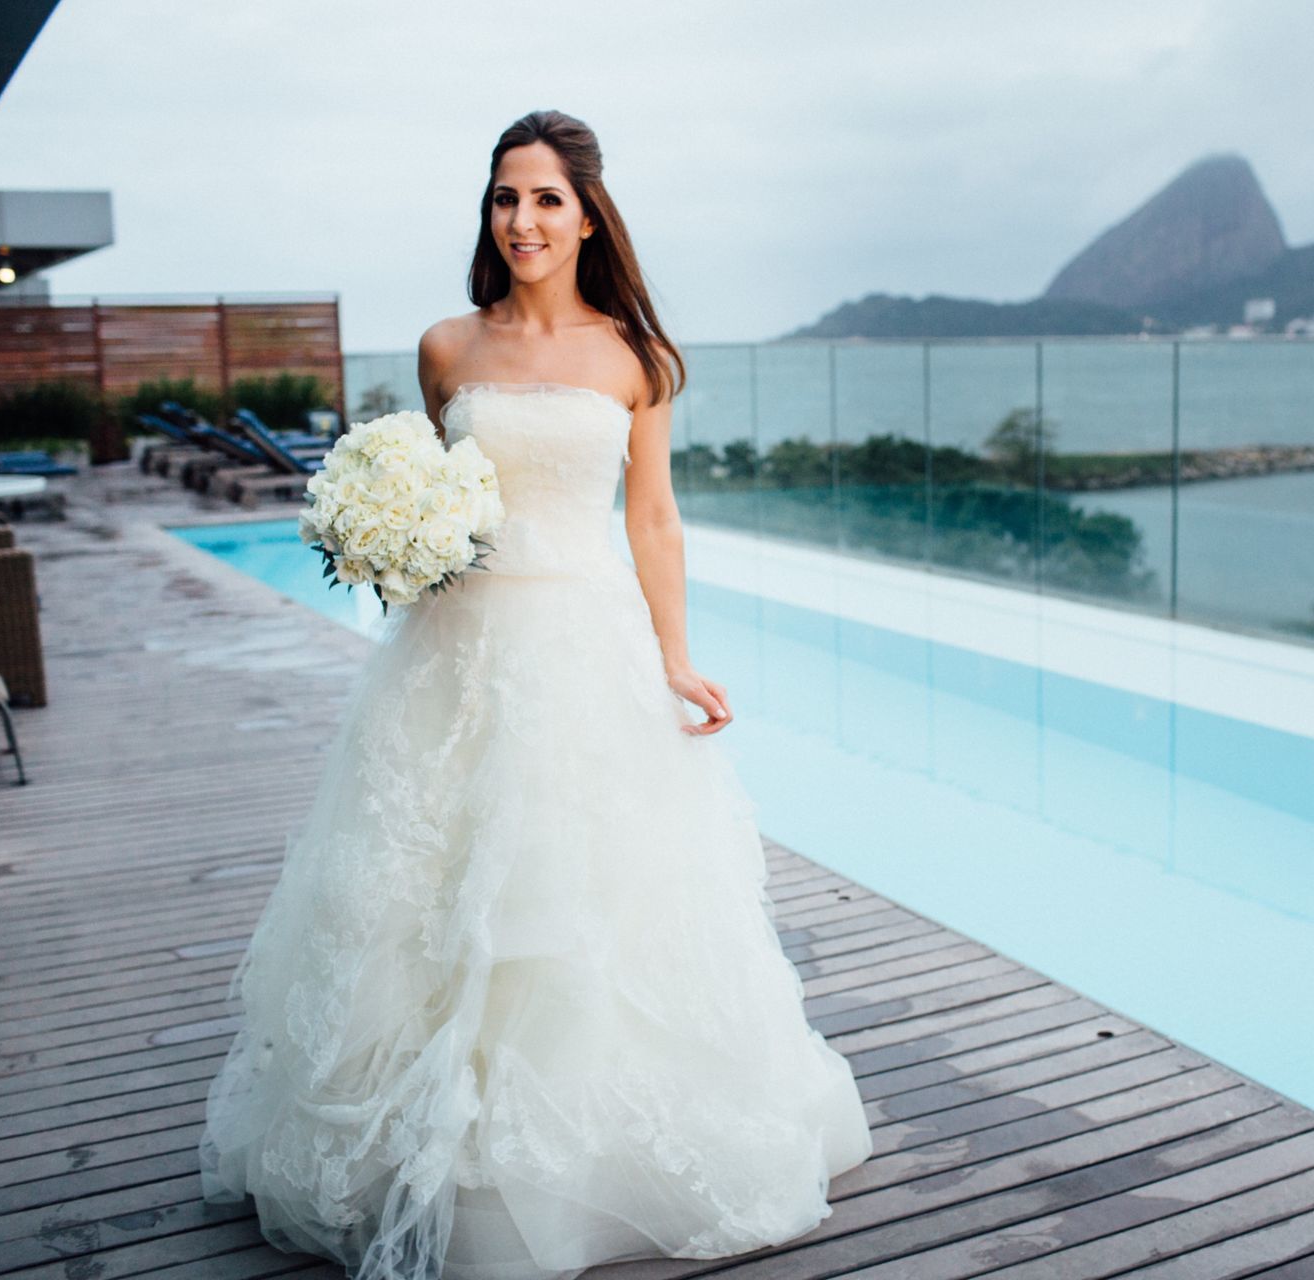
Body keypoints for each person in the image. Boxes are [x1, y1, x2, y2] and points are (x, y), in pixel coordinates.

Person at [197, 109, 873, 1280]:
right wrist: (391, 546)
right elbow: (431, 496)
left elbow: (652, 516)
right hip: (449, 657)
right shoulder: (446, 348)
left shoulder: (636, 357)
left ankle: (578, 1157)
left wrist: (675, 656)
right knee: (419, 900)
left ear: (589, 213)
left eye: (547, 199)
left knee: (576, 905)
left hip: (583, 644)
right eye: (506, 198)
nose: (523, 220)